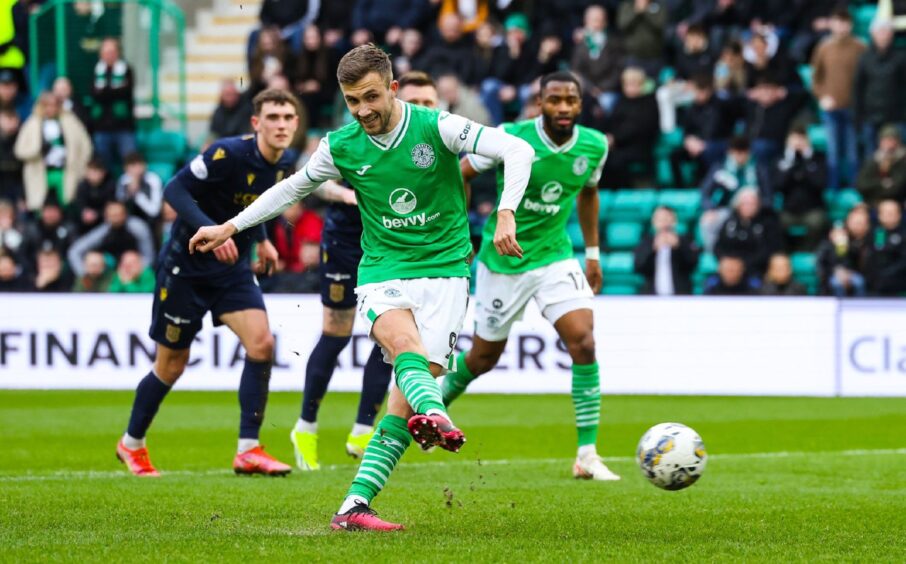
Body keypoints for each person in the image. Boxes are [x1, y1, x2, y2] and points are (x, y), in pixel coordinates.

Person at [188, 44, 533, 531]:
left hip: (448, 271)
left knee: (402, 399)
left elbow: (517, 150)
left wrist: (505, 211)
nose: (363, 110)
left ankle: (354, 506)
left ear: (392, 88)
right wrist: (229, 227)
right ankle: (437, 414)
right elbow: (292, 188)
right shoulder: (340, 145)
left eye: (371, 97)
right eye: (352, 101)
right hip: (382, 270)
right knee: (404, 347)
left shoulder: (437, 126)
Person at [440, 71, 619, 482]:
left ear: (579, 105)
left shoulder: (594, 146)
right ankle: (435, 402)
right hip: (504, 261)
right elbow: (462, 174)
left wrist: (592, 254)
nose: (562, 108)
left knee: (584, 342)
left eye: (570, 100)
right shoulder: (511, 137)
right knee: (484, 358)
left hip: (556, 256)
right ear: (539, 103)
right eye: (554, 100)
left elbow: (588, 192)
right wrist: (460, 232)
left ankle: (587, 454)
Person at [114, 89, 302, 478]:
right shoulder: (227, 153)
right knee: (171, 366)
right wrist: (210, 229)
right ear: (256, 123)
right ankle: (131, 443)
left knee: (262, 344)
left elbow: (256, 203)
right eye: (273, 117)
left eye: (288, 117)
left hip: (232, 270)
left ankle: (248, 448)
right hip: (186, 268)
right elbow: (174, 190)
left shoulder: (285, 164)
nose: (281, 124)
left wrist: (263, 239)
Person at [290, 70, 440, 472]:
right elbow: (310, 181)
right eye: (418, 102)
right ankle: (305, 426)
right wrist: (348, 193)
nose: (424, 110)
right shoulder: (354, 136)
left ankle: (362, 429)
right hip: (344, 243)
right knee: (336, 334)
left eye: (430, 104)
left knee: (393, 341)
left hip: (393, 249)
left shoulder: (431, 140)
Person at [810, 8, 866, 190]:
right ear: (832, 24)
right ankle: (832, 189)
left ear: (850, 25)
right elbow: (815, 78)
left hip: (853, 108)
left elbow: (867, 77)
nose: (841, 27)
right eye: (837, 23)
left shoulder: (860, 47)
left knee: (852, 153)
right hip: (830, 109)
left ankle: (854, 188)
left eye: (844, 23)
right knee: (833, 152)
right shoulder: (823, 47)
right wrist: (822, 96)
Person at [13, 93, 92, 213]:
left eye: (54, 105)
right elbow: (20, 150)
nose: (50, 109)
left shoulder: (70, 121)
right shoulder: (32, 123)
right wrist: (37, 150)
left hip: (65, 170)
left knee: (67, 203)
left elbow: (85, 146)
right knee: (42, 206)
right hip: (41, 172)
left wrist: (80, 164)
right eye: (47, 106)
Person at [775, 126, 829, 250]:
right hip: (789, 210)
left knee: (818, 222)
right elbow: (778, 185)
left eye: (801, 139)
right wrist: (790, 162)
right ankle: (786, 253)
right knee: (775, 223)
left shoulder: (818, 158)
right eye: (794, 139)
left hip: (812, 209)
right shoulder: (782, 159)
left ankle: (806, 251)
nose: (798, 143)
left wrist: (807, 159)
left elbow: (820, 184)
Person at [89, 38, 137, 170]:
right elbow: (94, 94)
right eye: (106, 52)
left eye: (112, 51)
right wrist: (114, 91)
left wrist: (104, 92)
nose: (109, 55)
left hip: (123, 126)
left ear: (118, 52)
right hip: (102, 127)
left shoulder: (126, 69)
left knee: (130, 159)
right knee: (102, 163)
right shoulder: (97, 70)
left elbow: (125, 92)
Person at [634, 205, 700, 295]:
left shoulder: (685, 240)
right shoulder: (646, 242)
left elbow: (693, 265)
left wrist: (679, 246)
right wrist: (653, 249)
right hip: (651, 296)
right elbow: (638, 267)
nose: (664, 222)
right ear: (653, 222)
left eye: (667, 218)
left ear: (674, 221)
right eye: (660, 219)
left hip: (681, 296)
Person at [817, 205, 870, 297]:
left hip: (852, 273)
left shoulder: (853, 243)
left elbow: (857, 262)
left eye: (841, 232)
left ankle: (861, 307)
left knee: (859, 282)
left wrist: (849, 272)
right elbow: (822, 264)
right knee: (836, 283)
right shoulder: (826, 246)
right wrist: (835, 272)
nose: (838, 235)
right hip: (832, 274)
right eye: (836, 232)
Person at [855, 125, 906, 207]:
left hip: (896, 204)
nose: (888, 144)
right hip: (873, 204)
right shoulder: (874, 160)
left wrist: (875, 188)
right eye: (885, 140)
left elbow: (896, 189)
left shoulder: (903, 161)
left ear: (898, 141)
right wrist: (882, 183)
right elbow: (861, 185)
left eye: (891, 140)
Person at [866, 199, 906, 296]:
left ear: (899, 214)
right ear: (879, 215)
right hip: (876, 279)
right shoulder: (875, 232)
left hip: (899, 279)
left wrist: (887, 273)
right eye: (885, 212)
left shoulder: (903, 233)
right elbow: (871, 255)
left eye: (891, 212)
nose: (888, 215)